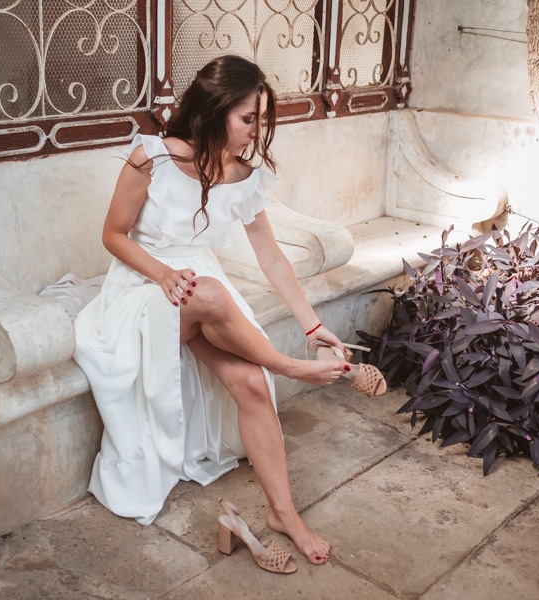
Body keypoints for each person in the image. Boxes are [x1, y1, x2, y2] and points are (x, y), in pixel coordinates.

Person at [74, 55, 356, 568]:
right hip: (142, 288)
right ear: (215, 109)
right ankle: (289, 367)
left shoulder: (245, 176)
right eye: (248, 118)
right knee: (210, 294)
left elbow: (272, 258)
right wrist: (163, 274)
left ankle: (284, 513)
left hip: (199, 294)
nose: (256, 131)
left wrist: (314, 327)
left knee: (251, 382)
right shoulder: (152, 158)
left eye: (261, 120)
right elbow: (113, 235)